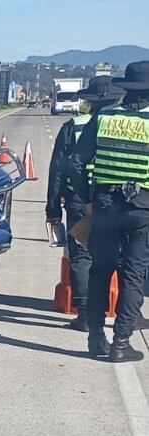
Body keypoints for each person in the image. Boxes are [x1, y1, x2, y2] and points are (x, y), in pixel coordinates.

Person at [71, 61, 149, 362]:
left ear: (125, 89)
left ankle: (95, 337)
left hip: (104, 205)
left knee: (100, 270)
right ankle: (121, 343)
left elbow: (76, 163)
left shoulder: (104, 117)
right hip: (142, 207)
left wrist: (86, 196)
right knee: (133, 275)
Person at [46, 76, 124, 332]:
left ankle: (84, 313)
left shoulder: (73, 126)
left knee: (81, 255)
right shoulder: (123, 126)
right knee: (119, 254)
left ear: (88, 101)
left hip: (80, 200)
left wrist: (53, 206)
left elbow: (58, 169)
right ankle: (120, 310)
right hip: (117, 199)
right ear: (117, 99)